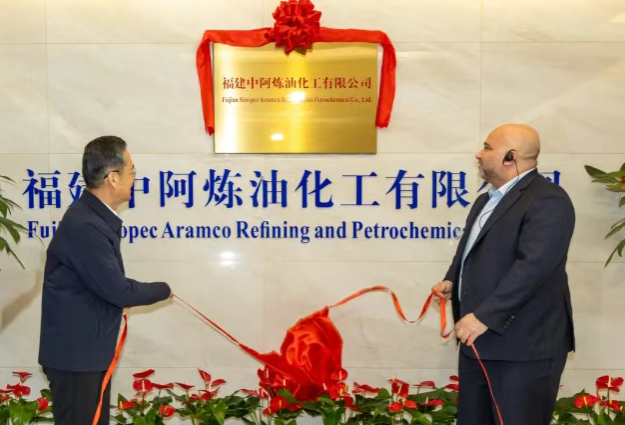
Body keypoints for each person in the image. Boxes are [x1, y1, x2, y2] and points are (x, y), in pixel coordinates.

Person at [432, 124, 575, 425]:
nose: (478, 154)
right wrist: (452, 280)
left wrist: (484, 316)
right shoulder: (485, 200)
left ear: (511, 157)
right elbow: (470, 251)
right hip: (478, 345)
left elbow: (534, 268)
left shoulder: (548, 199)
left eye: (486, 147)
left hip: (523, 348)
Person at [39, 136, 172, 425]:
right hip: (77, 358)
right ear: (113, 177)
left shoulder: (93, 218)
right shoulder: (85, 224)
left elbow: (100, 284)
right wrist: (164, 290)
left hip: (87, 354)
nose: (134, 179)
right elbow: (118, 290)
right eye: (132, 171)